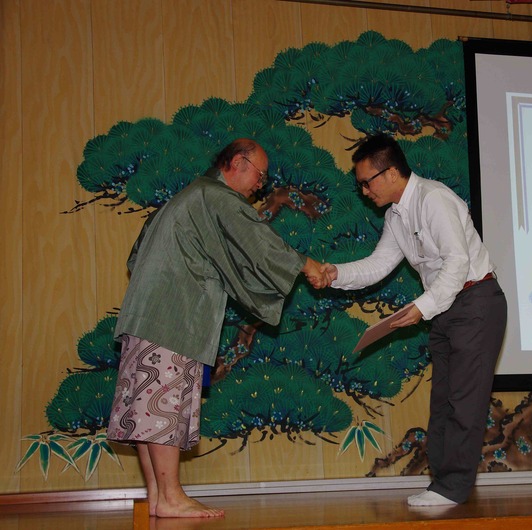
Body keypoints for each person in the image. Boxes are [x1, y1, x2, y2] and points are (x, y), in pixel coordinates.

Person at [107, 138, 326, 518]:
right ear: (238, 163)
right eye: (260, 175)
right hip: (172, 316)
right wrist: (306, 264)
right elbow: (257, 241)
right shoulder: (215, 196)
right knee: (162, 408)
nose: (260, 185)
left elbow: (135, 256)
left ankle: (158, 498)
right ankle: (171, 496)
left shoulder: (185, 197)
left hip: (144, 315)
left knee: (145, 410)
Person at [319, 134, 507, 506]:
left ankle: (453, 488)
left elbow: (458, 261)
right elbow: (377, 265)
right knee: (444, 402)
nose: (364, 191)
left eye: (366, 182)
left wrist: (423, 306)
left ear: (390, 173)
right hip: (445, 307)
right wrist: (335, 274)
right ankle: (442, 484)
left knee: (464, 402)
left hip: (476, 302)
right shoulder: (396, 215)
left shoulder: (432, 198)